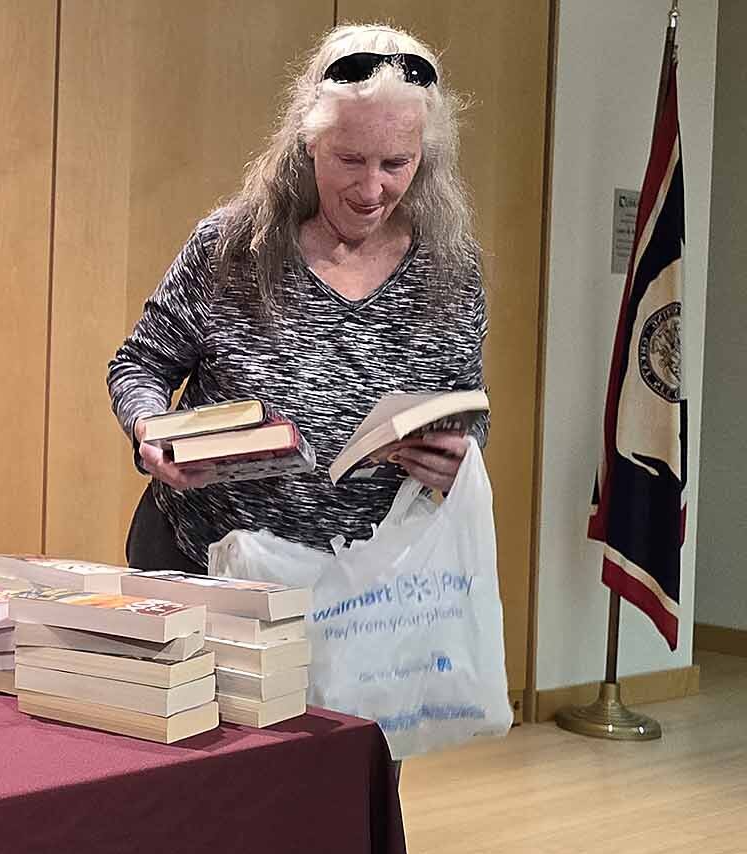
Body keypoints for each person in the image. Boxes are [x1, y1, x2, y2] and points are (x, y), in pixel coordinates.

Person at [109, 24, 488, 573]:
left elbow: (467, 406)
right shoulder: (232, 248)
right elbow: (139, 366)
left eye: (395, 164)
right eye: (350, 159)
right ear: (310, 142)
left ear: (424, 156)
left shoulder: (450, 268)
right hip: (204, 560)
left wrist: (459, 460)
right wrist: (150, 429)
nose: (371, 189)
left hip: (361, 584)